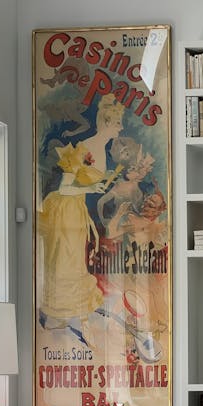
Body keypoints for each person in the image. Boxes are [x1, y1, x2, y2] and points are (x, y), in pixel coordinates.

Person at [38, 94, 126, 340]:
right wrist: (91, 189)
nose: (121, 128)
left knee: (74, 262)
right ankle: (58, 316)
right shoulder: (84, 149)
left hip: (76, 211)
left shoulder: (101, 148)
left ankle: (69, 315)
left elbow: (86, 180)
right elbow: (64, 188)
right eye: (118, 123)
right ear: (107, 123)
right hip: (64, 211)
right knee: (65, 263)